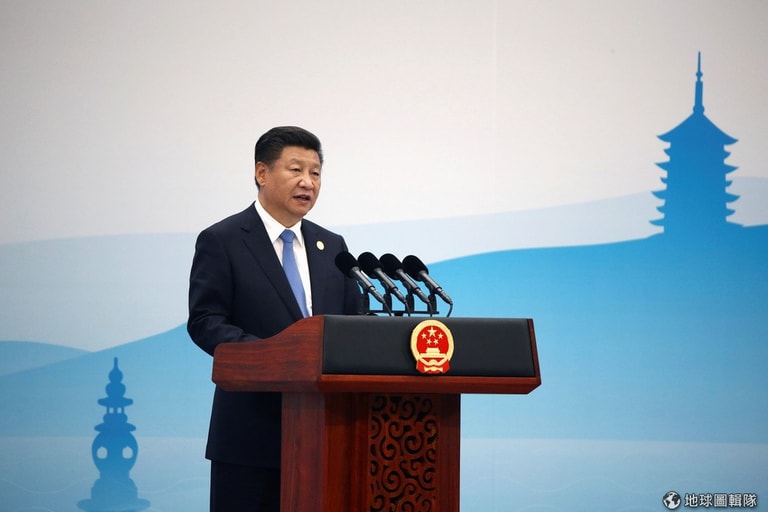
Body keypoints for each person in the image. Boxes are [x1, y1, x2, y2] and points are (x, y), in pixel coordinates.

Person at [187, 126, 363, 511]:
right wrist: (272, 357)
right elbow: (205, 320)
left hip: (327, 432)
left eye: (315, 173)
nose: (308, 182)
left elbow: (355, 324)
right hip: (250, 434)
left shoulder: (332, 247)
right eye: (296, 169)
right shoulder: (223, 240)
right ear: (262, 173)